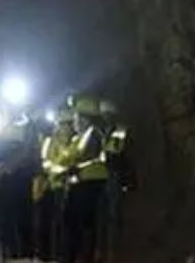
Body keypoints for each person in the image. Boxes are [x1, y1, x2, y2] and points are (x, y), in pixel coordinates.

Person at [0, 113, 39, 260]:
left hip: (18, 182)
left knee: (22, 223)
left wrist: (2, 170)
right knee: (3, 226)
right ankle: (9, 255)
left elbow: (26, 153)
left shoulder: (27, 127)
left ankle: (24, 256)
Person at [63, 95, 108, 263]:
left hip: (90, 182)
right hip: (79, 183)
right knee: (72, 222)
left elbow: (92, 156)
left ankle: (86, 257)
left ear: (85, 119)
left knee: (86, 223)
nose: (74, 122)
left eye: (76, 118)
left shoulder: (94, 134)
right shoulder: (78, 138)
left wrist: (75, 166)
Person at [36, 106, 75, 263]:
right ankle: (50, 255)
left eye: (69, 123)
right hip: (52, 187)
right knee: (53, 223)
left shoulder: (75, 140)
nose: (67, 127)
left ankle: (64, 255)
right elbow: (45, 163)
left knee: (67, 224)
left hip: (71, 186)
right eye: (64, 123)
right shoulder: (50, 141)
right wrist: (60, 170)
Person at [98, 100, 131, 263]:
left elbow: (117, 150)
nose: (105, 117)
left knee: (114, 215)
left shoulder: (120, 130)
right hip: (103, 175)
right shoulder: (101, 131)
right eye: (103, 114)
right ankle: (104, 252)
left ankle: (115, 253)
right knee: (103, 216)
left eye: (107, 113)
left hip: (115, 174)